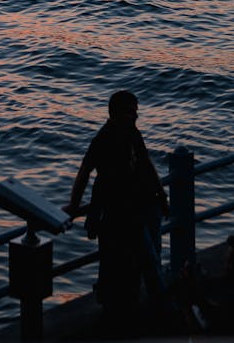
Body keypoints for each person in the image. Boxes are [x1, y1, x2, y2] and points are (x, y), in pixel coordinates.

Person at [67, 91, 170, 331]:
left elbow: (146, 163)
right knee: (136, 261)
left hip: (141, 206)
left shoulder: (132, 133)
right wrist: (74, 204)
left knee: (141, 258)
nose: (135, 115)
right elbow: (84, 172)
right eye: (130, 111)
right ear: (115, 113)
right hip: (119, 211)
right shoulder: (103, 139)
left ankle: (134, 308)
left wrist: (161, 196)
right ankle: (151, 309)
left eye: (136, 110)